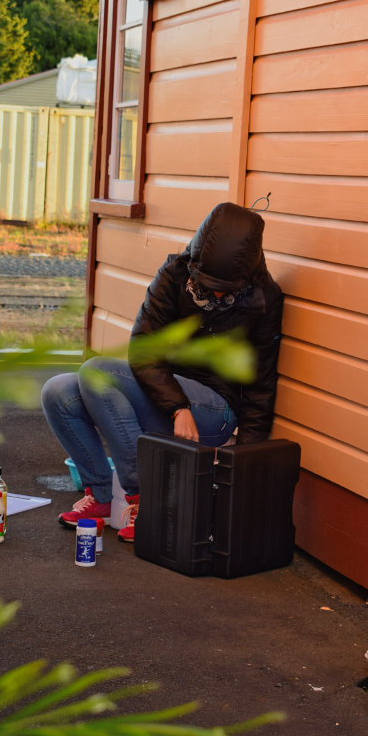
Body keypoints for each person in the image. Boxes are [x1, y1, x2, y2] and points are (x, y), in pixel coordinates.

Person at [40, 202, 283, 541]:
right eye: (207, 282)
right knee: (58, 391)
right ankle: (102, 496)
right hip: (170, 401)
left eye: (224, 287)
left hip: (215, 412)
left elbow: (260, 387)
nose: (214, 293)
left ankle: (145, 501)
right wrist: (177, 407)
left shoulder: (263, 298)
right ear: (195, 263)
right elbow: (143, 349)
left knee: (96, 371)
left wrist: (244, 464)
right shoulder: (175, 274)